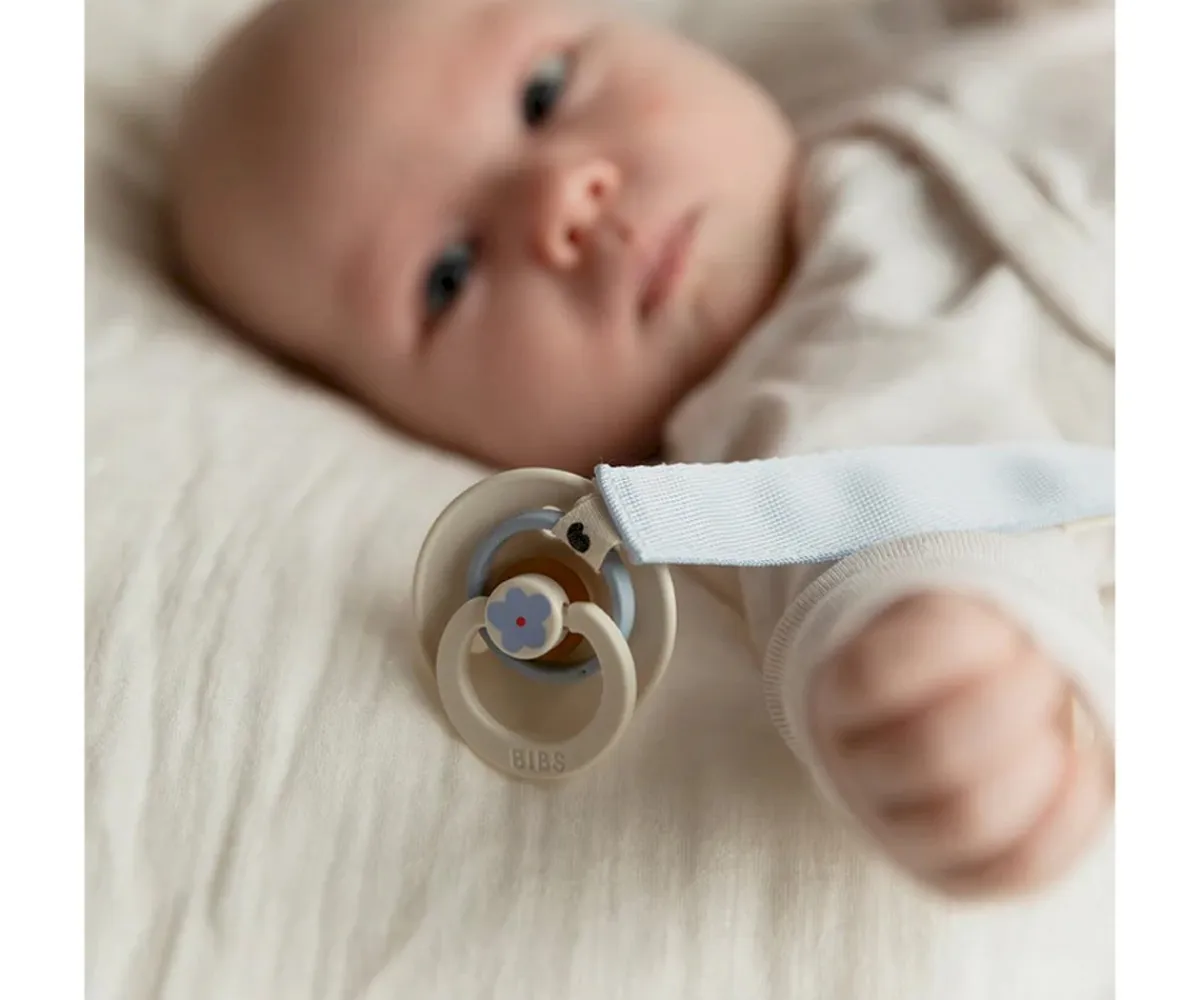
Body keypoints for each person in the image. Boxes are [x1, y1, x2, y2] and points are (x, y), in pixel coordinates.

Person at [170, 0, 1114, 898]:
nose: (561, 200)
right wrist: (948, 687)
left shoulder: (820, 58)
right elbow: (908, 556)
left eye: (542, 93)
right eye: (448, 276)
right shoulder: (789, 448)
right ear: (415, 428)